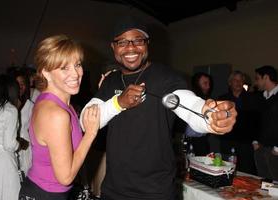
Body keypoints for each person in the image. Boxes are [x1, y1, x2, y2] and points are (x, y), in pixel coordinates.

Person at [80, 17, 237, 200]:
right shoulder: (110, 80)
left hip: (156, 191)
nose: (131, 47)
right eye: (122, 42)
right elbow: (85, 121)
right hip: (114, 189)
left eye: (138, 40)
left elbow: (188, 103)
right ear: (113, 47)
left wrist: (210, 116)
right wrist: (118, 103)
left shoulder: (166, 77)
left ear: (147, 44)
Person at [18, 34, 101, 200]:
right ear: (46, 73)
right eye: (64, 68)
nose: (76, 74)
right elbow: (65, 177)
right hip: (46, 194)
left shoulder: (55, 101)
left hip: (43, 190)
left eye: (77, 65)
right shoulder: (56, 114)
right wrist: (91, 134)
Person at [218, 70, 258, 174]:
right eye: (235, 80)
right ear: (230, 82)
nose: (238, 83)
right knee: (227, 169)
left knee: (247, 170)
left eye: (240, 80)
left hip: (246, 142)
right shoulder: (222, 99)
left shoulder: (252, 98)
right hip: (228, 140)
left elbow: (256, 121)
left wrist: (255, 140)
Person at [253, 65, 278, 181]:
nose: (255, 82)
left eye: (257, 78)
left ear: (266, 77)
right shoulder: (259, 97)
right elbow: (257, 121)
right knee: (263, 183)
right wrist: (255, 140)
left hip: (275, 150)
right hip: (260, 147)